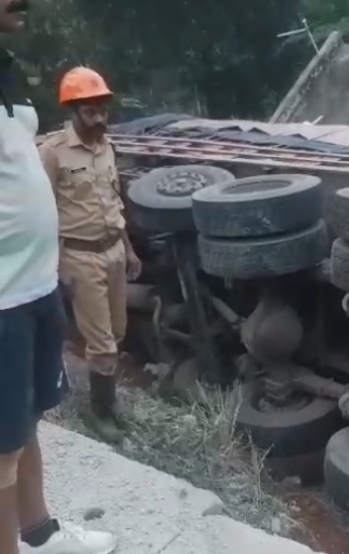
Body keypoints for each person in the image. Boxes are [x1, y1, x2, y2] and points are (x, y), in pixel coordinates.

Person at [0, 1, 117, 553]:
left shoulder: (6, 64)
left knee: (26, 424)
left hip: (34, 284)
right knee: (0, 445)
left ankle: (39, 533)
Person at [39, 66, 141, 444]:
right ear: (74, 110)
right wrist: (53, 265)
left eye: (103, 109)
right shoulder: (52, 153)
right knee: (103, 344)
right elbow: (40, 211)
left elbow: (114, 204)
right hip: (80, 257)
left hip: (113, 250)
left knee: (117, 332)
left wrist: (129, 251)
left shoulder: (107, 148)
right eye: (92, 111)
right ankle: (100, 413)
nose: (100, 117)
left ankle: (105, 400)